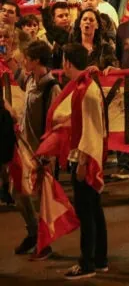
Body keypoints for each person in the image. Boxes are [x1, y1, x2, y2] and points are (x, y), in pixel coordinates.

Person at [59, 43, 109, 279]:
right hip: (87, 154)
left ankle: (87, 263)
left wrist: (82, 162)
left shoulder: (87, 89)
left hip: (85, 158)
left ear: (68, 62)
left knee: (87, 213)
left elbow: (92, 130)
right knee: (94, 211)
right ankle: (100, 259)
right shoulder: (84, 85)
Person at [9, 40, 62, 260]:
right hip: (25, 148)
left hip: (41, 152)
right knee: (17, 192)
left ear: (37, 60)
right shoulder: (30, 79)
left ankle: (44, 243)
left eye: (27, 58)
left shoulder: (51, 86)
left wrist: (48, 154)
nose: (24, 62)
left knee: (42, 200)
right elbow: (16, 71)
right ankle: (33, 233)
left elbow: (57, 122)